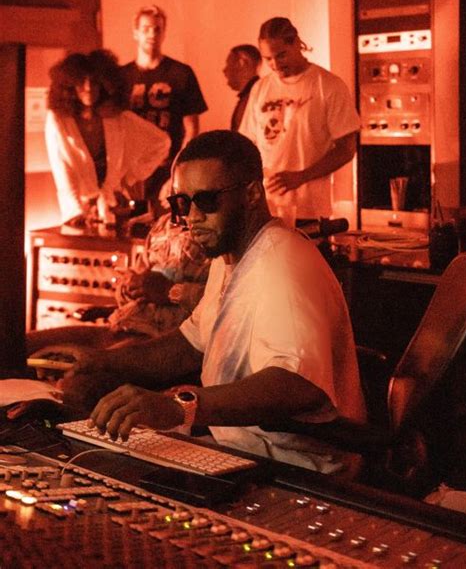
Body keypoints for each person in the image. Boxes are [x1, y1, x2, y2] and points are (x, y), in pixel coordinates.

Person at [64, 130, 366, 473]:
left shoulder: (284, 262)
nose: (192, 216)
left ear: (252, 194)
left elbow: (297, 385)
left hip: (297, 467)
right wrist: (102, 362)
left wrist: (180, 407)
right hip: (240, 450)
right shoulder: (230, 258)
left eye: (206, 200)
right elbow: (188, 346)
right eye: (181, 203)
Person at [27, 212, 210, 354]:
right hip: (119, 326)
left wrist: (169, 291)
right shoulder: (165, 224)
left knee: (86, 369)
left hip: (163, 339)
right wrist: (130, 288)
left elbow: (220, 305)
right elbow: (129, 289)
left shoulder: (215, 232)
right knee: (22, 345)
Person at [240, 17, 360, 223]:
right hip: (266, 207)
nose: (276, 64)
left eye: (281, 55)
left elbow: (347, 149)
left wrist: (302, 176)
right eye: (268, 59)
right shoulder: (261, 88)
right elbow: (247, 143)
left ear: (297, 43)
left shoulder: (328, 85)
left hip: (309, 209)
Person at [46, 49, 170, 227]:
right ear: (69, 86)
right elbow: (61, 168)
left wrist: (128, 178)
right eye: (81, 81)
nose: (88, 87)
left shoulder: (117, 118)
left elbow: (161, 142)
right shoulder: (58, 120)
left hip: (115, 207)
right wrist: (76, 211)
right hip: (80, 212)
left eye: (94, 82)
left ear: (106, 85)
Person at [121, 5, 208, 204]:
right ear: (135, 32)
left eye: (157, 29)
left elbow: (192, 130)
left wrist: (178, 174)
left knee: (169, 221)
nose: (152, 34)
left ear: (164, 32)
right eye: (146, 29)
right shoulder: (121, 77)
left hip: (167, 170)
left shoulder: (181, 73)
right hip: (130, 173)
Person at [223, 44, 261, 131]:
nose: (224, 70)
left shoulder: (254, 97)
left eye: (229, 63)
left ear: (242, 63)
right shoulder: (253, 95)